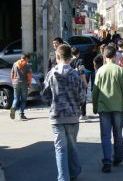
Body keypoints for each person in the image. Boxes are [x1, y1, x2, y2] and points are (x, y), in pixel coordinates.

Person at [42, 44, 86, 181]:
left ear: (57, 56)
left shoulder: (51, 75)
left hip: (56, 116)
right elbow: (82, 97)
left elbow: (44, 95)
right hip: (72, 116)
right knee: (72, 146)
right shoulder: (75, 75)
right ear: (70, 57)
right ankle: (74, 172)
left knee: (60, 149)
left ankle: (63, 178)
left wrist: (52, 102)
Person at [92, 45, 123, 173]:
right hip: (117, 107)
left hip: (103, 108)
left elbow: (95, 91)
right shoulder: (119, 70)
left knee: (105, 136)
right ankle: (118, 157)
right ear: (115, 56)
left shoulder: (100, 71)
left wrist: (95, 106)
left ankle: (107, 161)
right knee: (118, 134)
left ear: (104, 56)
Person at [10, 53, 32, 120]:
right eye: (28, 59)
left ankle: (13, 108)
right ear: (26, 58)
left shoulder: (15, 64)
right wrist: (29, 83)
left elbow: (12, 74)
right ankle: (21, 115)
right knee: (23, 100)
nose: (28, 61)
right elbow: (29, 76)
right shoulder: (27, 65)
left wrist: (13, 81)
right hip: (24, 83)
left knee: (16, 98)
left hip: (16, 83)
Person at [70, 47, 89, 120]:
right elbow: (82, 73)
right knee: (83, 98)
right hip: (79, 82)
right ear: (78, 53)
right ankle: (83, 114)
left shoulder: (68, 61)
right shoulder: (80, 61)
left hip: (71, 82)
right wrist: (85, 83)